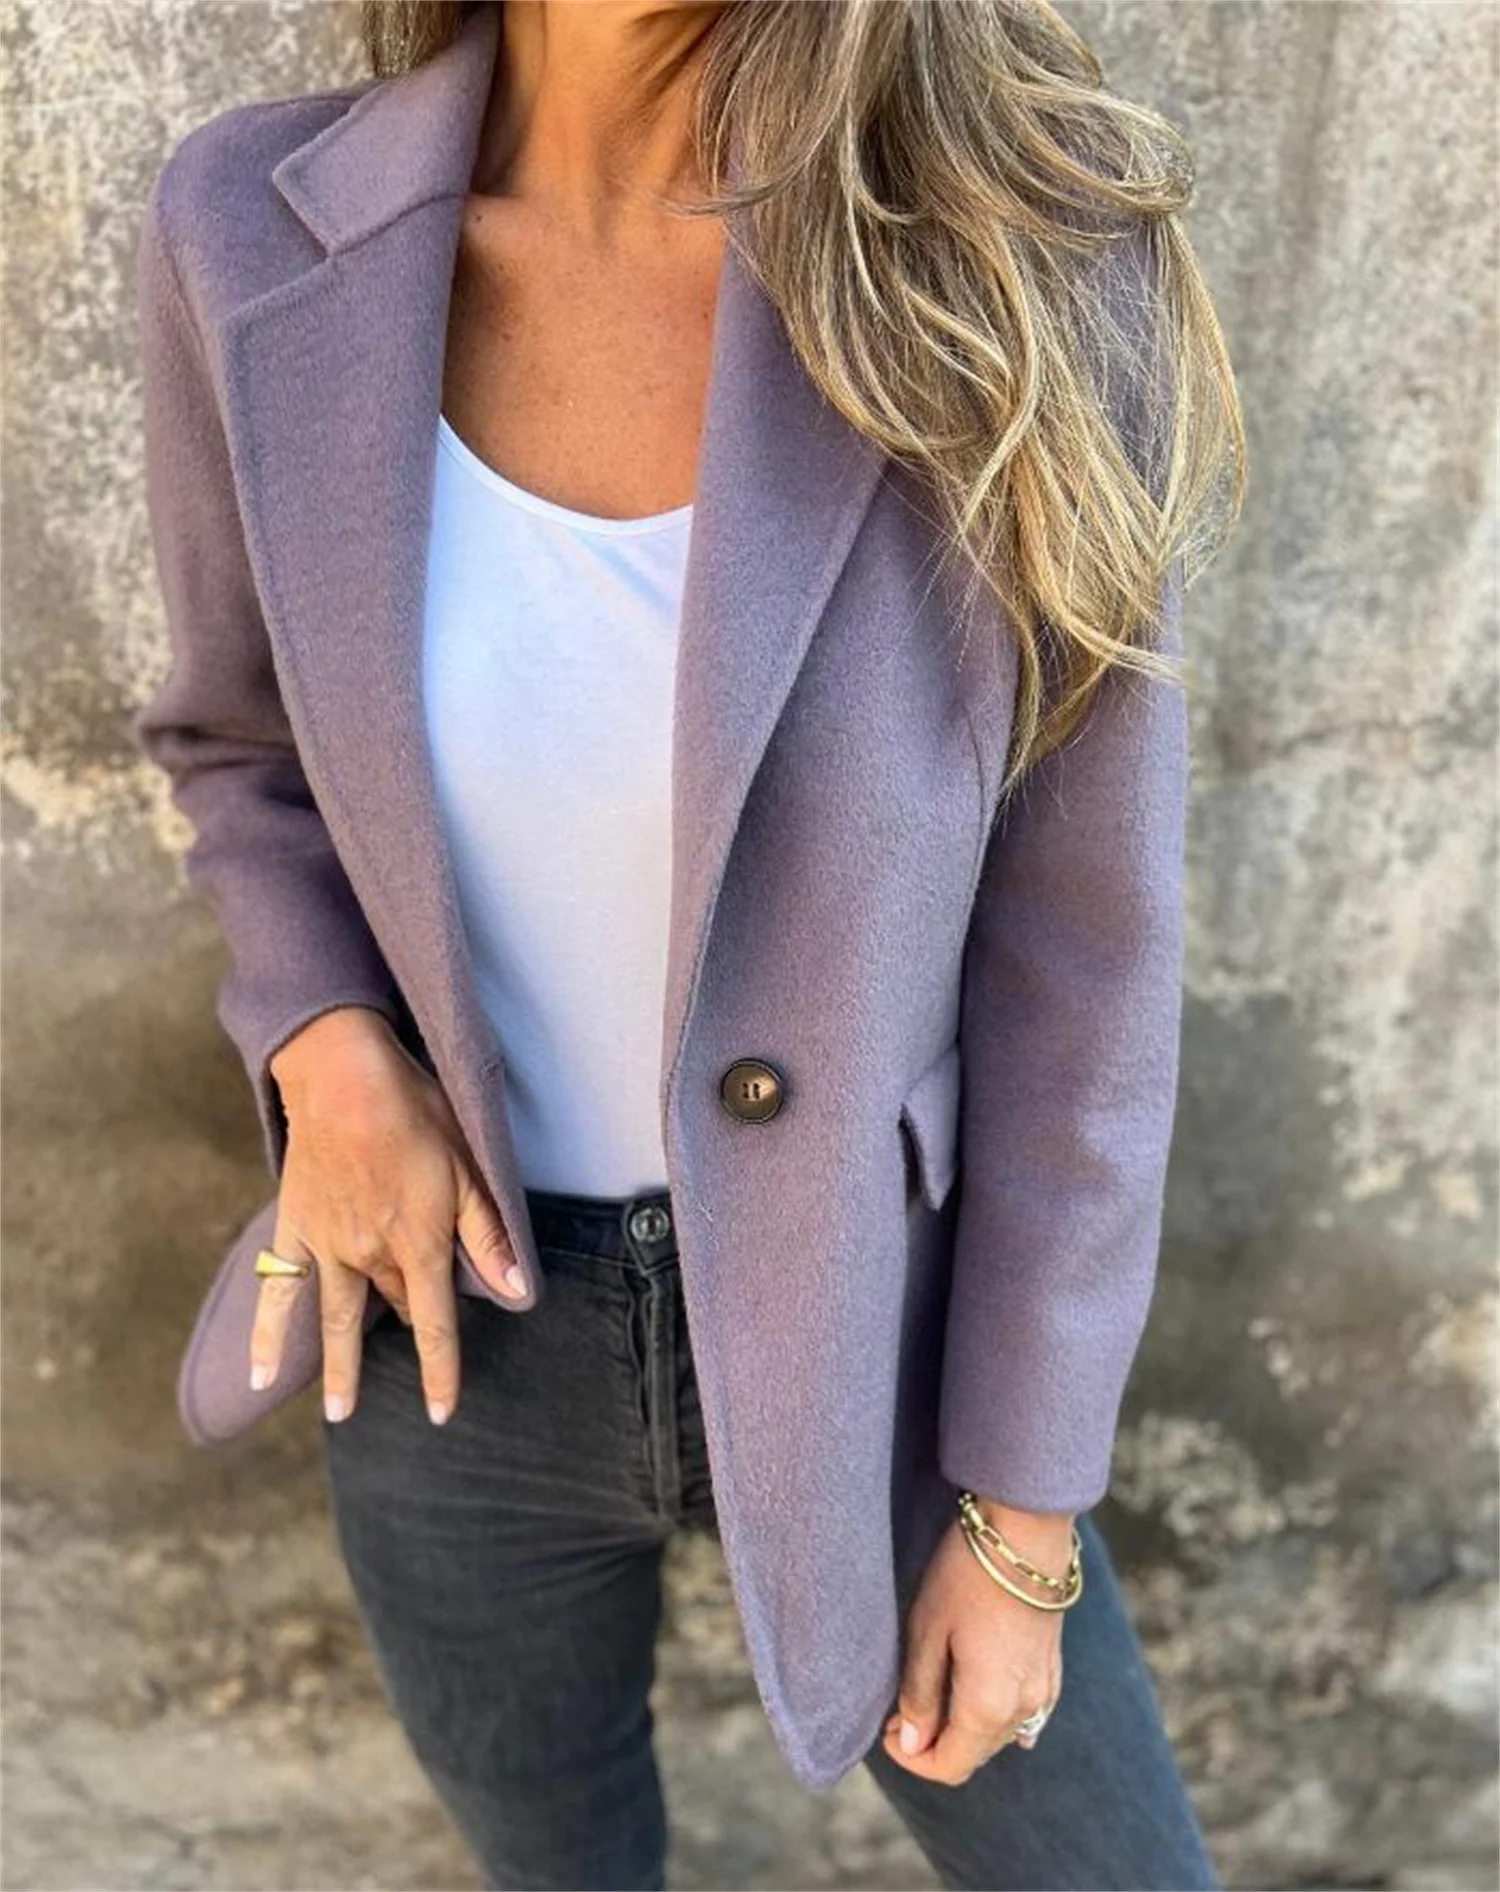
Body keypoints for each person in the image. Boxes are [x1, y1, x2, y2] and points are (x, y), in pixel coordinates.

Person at [133, 1, 1244, 1885]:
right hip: (449, 1334)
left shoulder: (1025, 258)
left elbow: (1089, 967)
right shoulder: (249, 229)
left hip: (884, 1340)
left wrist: (1024, 1517)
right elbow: (240, 748)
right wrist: (324, 1044)